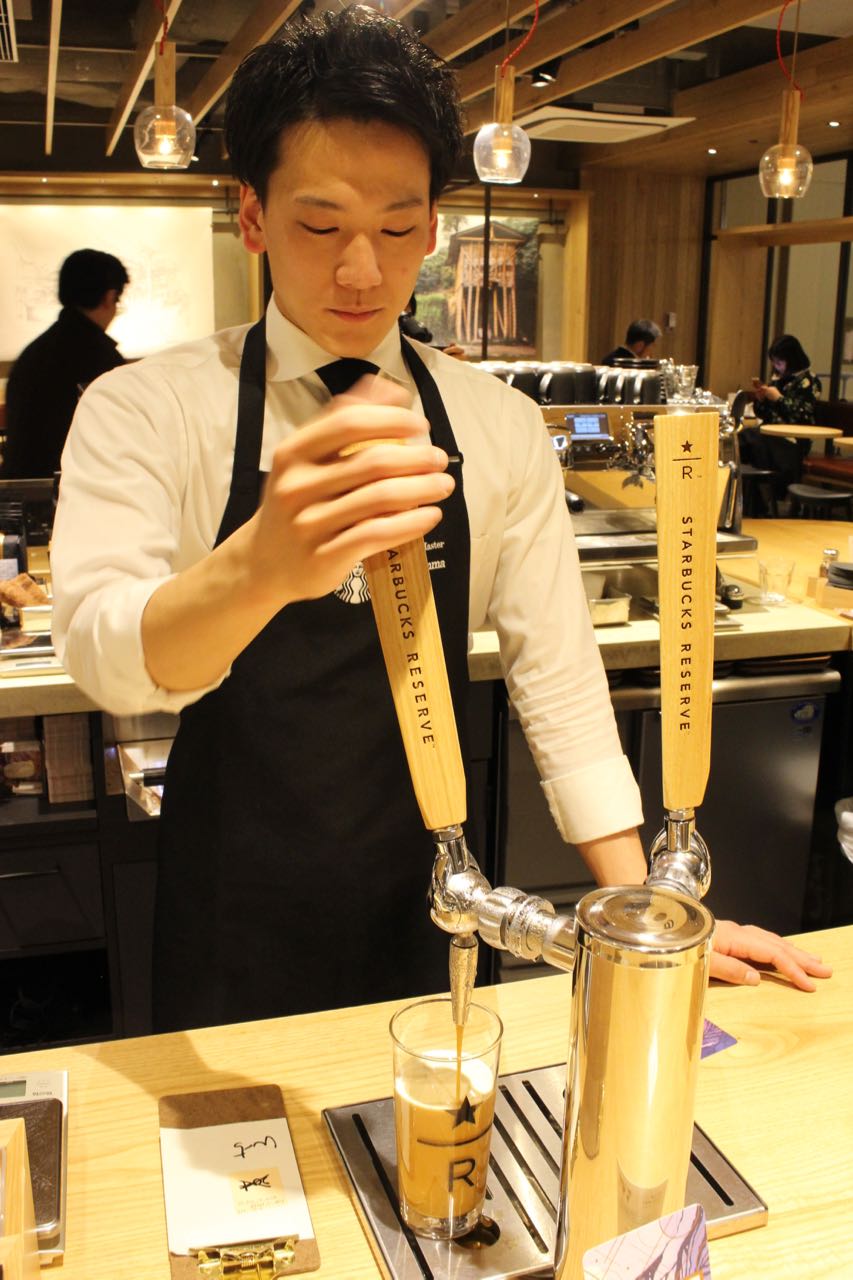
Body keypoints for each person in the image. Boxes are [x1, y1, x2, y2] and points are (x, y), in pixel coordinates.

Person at [51, 8, 829, 1033]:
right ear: (252, 216)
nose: (361, 270)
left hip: (436, 894)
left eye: (396, 229)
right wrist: (261, 566)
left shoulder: (492, 422)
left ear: (431, 228)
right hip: (233, 900)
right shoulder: (148, 406)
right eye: (320, 226)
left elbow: (558, 676)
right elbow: (104, 656)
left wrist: (650, 912)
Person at [2, 249, 128, 479]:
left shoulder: (33, 354)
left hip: (21, 487)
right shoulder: (102, 359)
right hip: (72, 489)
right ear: (109, 297)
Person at [739, 334, 822, 498]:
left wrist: (778, 399)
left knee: (753, 440)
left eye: (779, 363)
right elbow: (764, 414)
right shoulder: (778, 379)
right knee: (744, 438)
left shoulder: (809, 381)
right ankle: (755, 498)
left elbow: (802, 415)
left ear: (792, 360)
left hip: (794, 440)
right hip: (771, 435)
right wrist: (761, 400)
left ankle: (764, 497)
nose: (776, 367)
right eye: (774, 363)